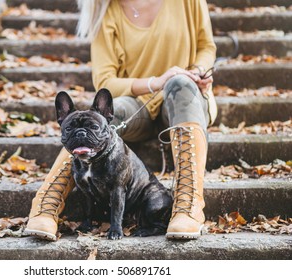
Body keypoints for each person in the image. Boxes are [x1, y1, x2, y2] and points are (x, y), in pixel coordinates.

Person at [24, 0, 217, 241]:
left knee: (180, 84)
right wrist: (155, 82)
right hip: (139, 104)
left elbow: (206, 46)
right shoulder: (106, 11)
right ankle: (47, 204)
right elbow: (106, 80)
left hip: (182, 99)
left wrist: (197, 71)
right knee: (94, 124)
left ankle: (188, 205)